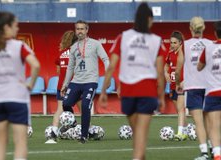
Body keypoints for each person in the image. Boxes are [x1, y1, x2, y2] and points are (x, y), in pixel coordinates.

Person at [99, 3, 165, 160]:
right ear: (149, 19)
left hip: (128, 91)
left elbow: (111, 66)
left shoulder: (123, 37)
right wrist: (161, 96)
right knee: (140, 133)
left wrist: (103, 91)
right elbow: (160, 72)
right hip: (147, 90)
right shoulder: (156, 40)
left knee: (138, 133)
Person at [0, 11, 40, 160]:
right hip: (17, 98)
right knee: (20, 142)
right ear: (6, 27)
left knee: (1, 141)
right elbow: (36, 65)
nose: (18, 29)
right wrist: (30, 85)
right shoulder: (19, 46)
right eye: (15, 25)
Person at [61, 20, 110, 143]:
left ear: (87, 30)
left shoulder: (95, 44)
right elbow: (70, 68)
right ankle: (72, 125)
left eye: (82, 29)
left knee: (85, 106)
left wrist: (108, 76)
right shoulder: (73, 47)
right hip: (76, 81)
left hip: (90, 81)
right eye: (78, 29)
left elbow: (105, 59)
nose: (80, 31)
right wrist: (65, 84)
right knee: (66, 103)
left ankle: (84, 136)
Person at [175, 16, 213, 160]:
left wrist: (178, 83)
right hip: (209, 88)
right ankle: (213, 146)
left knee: (199, 122)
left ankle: (204, 152)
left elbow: (178, 70)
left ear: (190, 28)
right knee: (210, 120)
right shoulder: (210, 44)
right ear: (203, 28)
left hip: (193, 88)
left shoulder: (184, 45)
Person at [47, 30, 81, 143]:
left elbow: (58, 71)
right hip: (75, 85)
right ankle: (87, 130)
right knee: (83, 109)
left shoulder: (61, 54)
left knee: (59, 110)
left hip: (61, 86)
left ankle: (53, 133)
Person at [197, 21, 221, 160]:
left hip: (213, 91)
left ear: (215, 33)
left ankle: (217, 154)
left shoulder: (208, 49)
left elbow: (199, 67)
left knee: (214, 126)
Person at [164, 31, 187, 141]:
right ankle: (185, 131)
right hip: (173, 85)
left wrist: (185, 80)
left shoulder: (184, 53)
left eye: (175, 42)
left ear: (180, 43)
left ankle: (180, 133)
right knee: (179, 111)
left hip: (182, 84)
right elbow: (166, 65)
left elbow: (191, 68)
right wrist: (166, 73)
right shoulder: (170, 53)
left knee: (181, 109)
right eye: (171, 42)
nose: (172, 44)